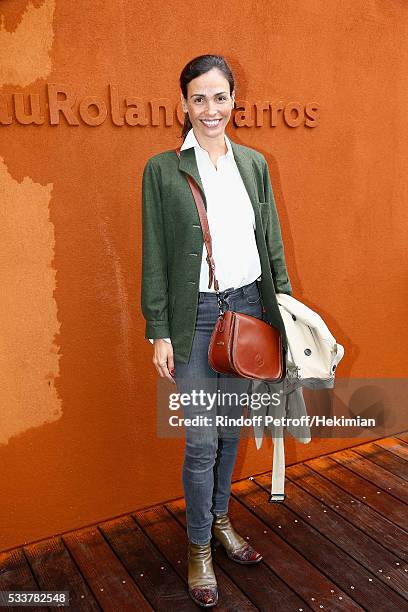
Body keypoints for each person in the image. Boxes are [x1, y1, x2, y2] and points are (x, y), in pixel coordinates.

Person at [141, 54, 292, 608]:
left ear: (234, 100)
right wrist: (159, 328)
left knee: (231, 431)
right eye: (199, 98)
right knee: (203, 439)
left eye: (220, 97)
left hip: (248, 311)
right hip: (196, 318)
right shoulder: (162, 169)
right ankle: (200, 548)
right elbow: (154, 254)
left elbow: (269, 243)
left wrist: (286, 309)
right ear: (184, 104)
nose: (210, 109)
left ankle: (222, 520)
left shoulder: (253, 164)